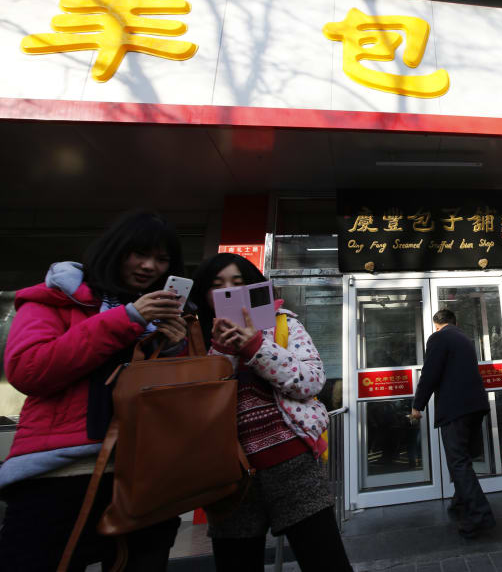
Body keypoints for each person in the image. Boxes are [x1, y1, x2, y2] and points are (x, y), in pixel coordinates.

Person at [0, 210, 187, 571]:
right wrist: (127, 319)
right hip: (60, 475)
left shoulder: (167, 317)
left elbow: (179, 401)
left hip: (146, 477)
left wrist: (176, 350)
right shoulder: (52, 300)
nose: (149, 266)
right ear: (116, 250)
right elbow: (28, 371)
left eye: (161, 259)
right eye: (139, 253)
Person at [190, 253, 352, 572]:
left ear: (254, 288)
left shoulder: (283, 323)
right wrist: (220, 353)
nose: (229, 293)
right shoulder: (193, 338)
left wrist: (254, 348)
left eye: (238, 284)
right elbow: (196, 409)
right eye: (217, 286)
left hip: (293, 466)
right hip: (229, 477)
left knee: (327, 561)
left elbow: (311, 382)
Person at [410, 309, 495, 538]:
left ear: (437, 325)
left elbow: (430, 373)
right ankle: (458, 504)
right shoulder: (464, 338)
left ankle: (480, 515)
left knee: (458, 462)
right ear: (454, 322)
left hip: (455, 409)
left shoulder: (438, 338)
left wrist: (418, 405)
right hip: (476, 406)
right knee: (464, 459)